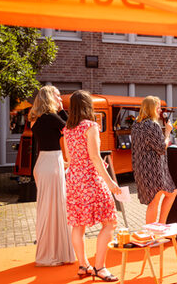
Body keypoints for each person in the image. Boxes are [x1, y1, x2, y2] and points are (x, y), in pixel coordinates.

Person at [63, 90, 121, 281]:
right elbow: (95, 158)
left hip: (73, 179)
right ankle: (100, 267)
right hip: (90, 178)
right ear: (88, 106)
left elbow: (70, 159)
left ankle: (83, 265)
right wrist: (111, 183)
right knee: (110, 221)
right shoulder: (91, 126)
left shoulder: (67, 129)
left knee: (78, 225)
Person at [28, 85, 75, 267]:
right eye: (57, 96)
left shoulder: (37, 118)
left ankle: (50, 251)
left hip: (44, 163)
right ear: (49, 97)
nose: (60, 99)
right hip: (51, 164)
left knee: (48, 209)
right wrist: (63, 111)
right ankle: (53, 253)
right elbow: (71, 129)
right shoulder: (51, 117)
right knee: (56, 209)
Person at [131, 95, 177, 225]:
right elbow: (162, 148)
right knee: (155, 201)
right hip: (153, 169)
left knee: (170, 193)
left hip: (142, 167)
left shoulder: (136, 124)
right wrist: (167, 132)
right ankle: (153, 232)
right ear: (151, 108)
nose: (160, 111)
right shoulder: (152, 125)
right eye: (158, 107)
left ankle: (159, 227)